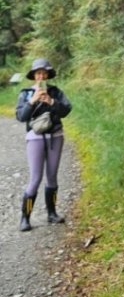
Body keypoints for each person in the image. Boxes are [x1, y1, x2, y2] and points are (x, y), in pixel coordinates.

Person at [16, 57, 72, 232]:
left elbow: (66, 110)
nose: (41, 76)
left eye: (44, 73)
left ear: (47, 75)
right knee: (35, 178)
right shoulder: (25, 93)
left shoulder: (55, 92)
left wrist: (51, 101)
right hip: (35, 138)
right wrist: (33, 101)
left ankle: (52, 213)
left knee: (52, 176)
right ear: (34, 76)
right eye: (38, 73)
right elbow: (21, 117)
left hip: (55, 136)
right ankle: (25, 218)